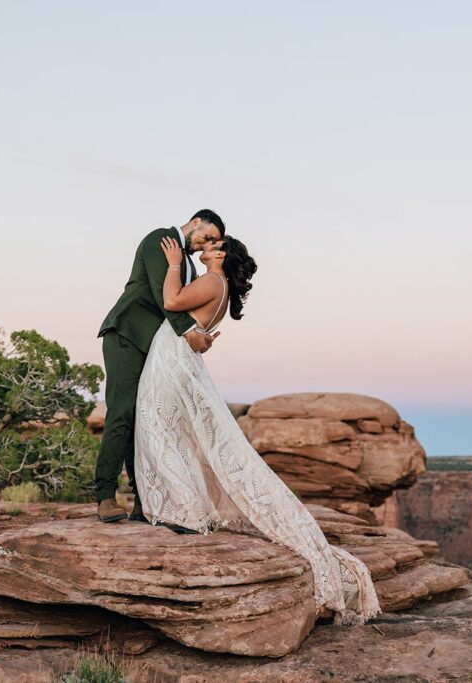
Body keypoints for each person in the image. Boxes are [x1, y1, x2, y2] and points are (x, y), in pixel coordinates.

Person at [132, 233, 382, 626]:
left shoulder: (213, 280)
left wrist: (176, 265)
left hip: (172, 356)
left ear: (223, 255)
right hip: (181, 354)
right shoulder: (222, 286)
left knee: (162, 425)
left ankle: (184, 509)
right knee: (172, 428)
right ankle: (182, 504)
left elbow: (172, 303)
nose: (208, 247)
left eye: (215, 245)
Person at [94, 209, 225, 524]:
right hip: (127, 335)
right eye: (207, 236)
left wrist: (200, 333)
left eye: (215, 243)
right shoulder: (161, 240)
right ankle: (105, 496)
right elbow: (160, 294)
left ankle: (145, 501)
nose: (205, 244)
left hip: (154, 349)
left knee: (146, 421)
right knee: (122, 413)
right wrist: (189, 332)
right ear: (196, 222)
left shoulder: (189, 264)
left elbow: (186, 301)